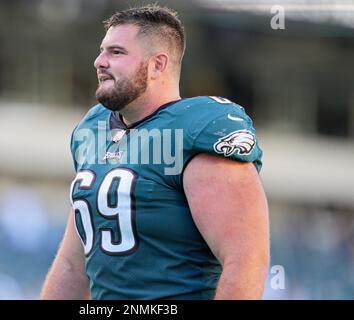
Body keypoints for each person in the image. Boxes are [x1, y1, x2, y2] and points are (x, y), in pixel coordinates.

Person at [41, 5, 269, 300]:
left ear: (158, 65)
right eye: (102, 51)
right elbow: (72, 264)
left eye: (116, 52)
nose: (99, 61)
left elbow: (246, 262)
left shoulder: (196, 130)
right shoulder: (93, 129)